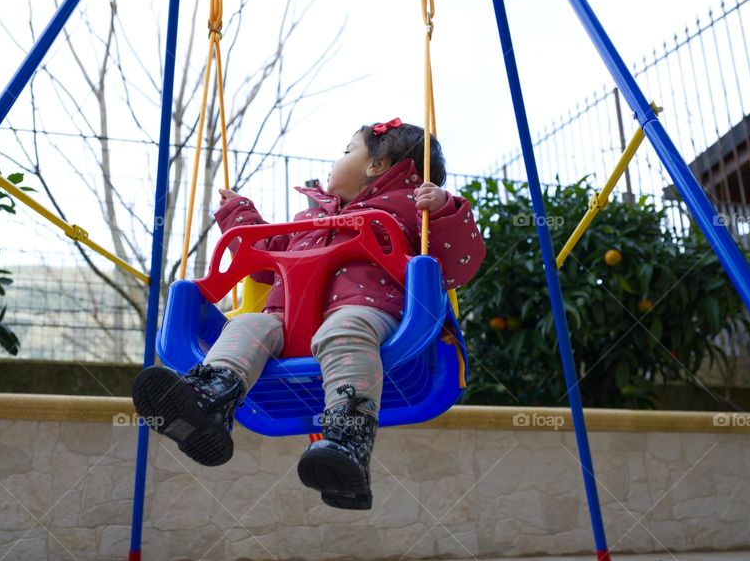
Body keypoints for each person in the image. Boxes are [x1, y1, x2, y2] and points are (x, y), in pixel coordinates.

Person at [132, 118, 485, 510]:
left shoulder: (409, 210)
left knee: (345, 330)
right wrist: (238, 214)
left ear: (377, 166)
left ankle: (348, 435)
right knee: (247, 324)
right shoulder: (308, 220)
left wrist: (443, 211)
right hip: (287, 322)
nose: (339, 158)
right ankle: (209, 399)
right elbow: (263, 259)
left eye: (348, 150)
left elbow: (459, 264)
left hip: (371, 314)